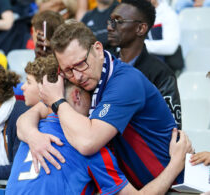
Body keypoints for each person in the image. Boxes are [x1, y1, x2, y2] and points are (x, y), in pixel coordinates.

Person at [16, 20, 191, 189]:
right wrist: (34, 137)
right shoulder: (82, 79)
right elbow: (25, 119)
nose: (77, 76)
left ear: (98, 50)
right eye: (68, 70)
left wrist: (57, 101)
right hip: (138, 187)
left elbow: (87, 142)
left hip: (174, 185)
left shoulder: (126, 82)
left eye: (80, 64)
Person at [107, 0, 181, 128]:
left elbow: (173, 130)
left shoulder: (161, 74)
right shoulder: (104, 65)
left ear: (141, 28)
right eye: (111, 20)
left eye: (119, 21)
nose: (109, 27)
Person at [145, 0, 184, 74]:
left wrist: (141, 45)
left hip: (163, 68)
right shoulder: (135, 14)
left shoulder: (168, 14)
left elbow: (170, 47)